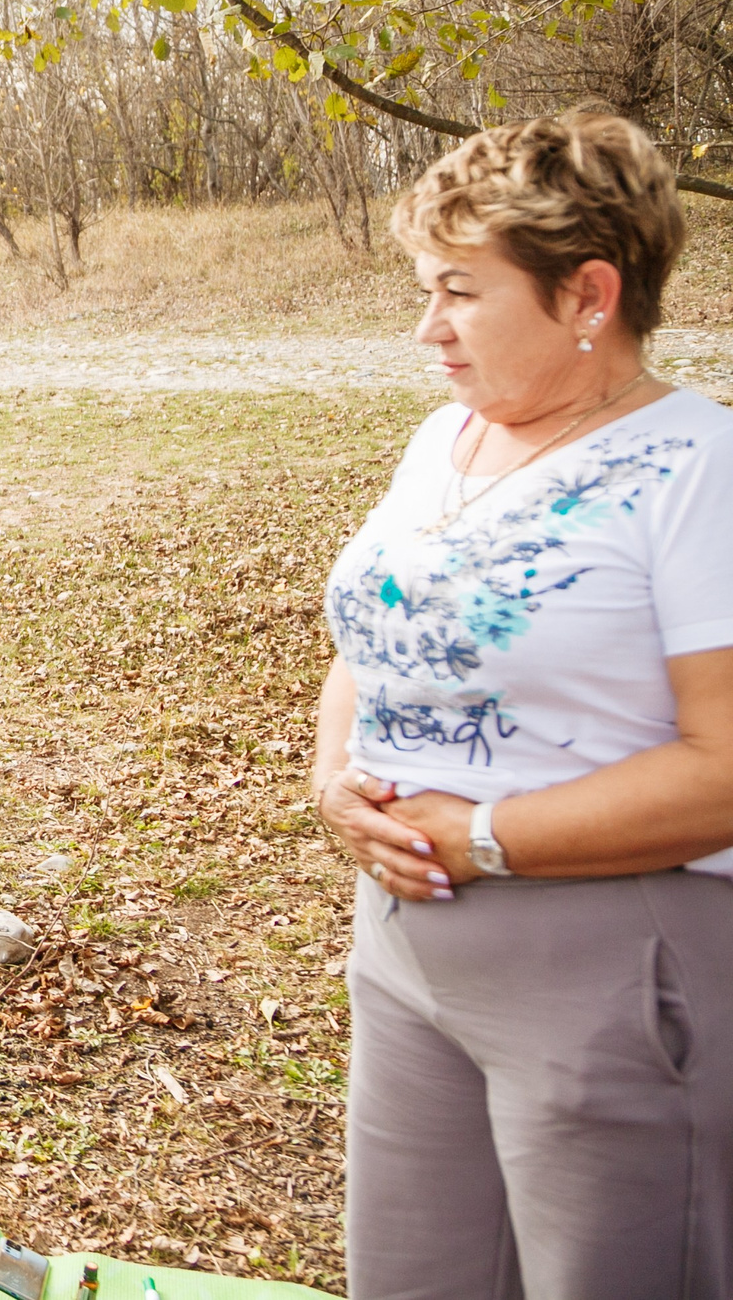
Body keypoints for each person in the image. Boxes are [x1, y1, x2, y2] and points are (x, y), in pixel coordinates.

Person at [313, 108, 733, 1299]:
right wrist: (332, 776)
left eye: (458, 291)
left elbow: (725, 767)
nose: (426, 328)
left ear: (587, 293)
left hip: (608, 965)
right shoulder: (442, 442)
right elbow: (374, 632)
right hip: (401, 955)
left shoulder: (701, 470)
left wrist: (484, 836)